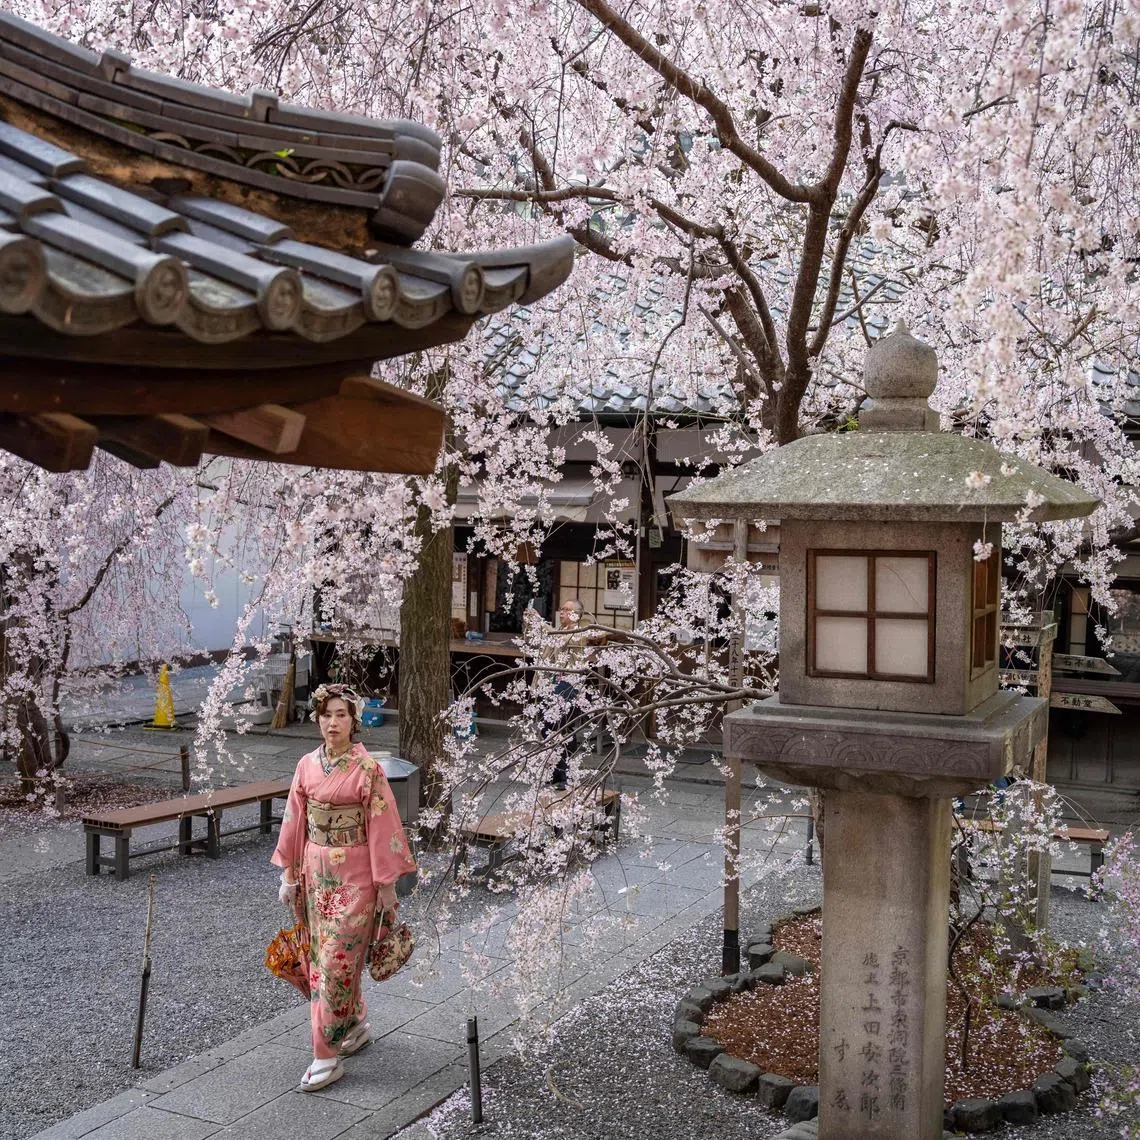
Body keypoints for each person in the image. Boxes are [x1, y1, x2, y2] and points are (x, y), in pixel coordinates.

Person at [272, 683, 416, 1092]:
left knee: (334, 963)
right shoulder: (306, 765)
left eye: (341, 715)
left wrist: (387, 885)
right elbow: (294, 821)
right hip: (316, 875)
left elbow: (384, 825)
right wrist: (288, 875)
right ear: (317, 718)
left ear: (355, 721)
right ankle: (352, 1025)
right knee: (325, 957)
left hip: (356, 877)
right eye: (326, 714)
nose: (332, 722)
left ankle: (325, 1054)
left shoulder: (367, 769)